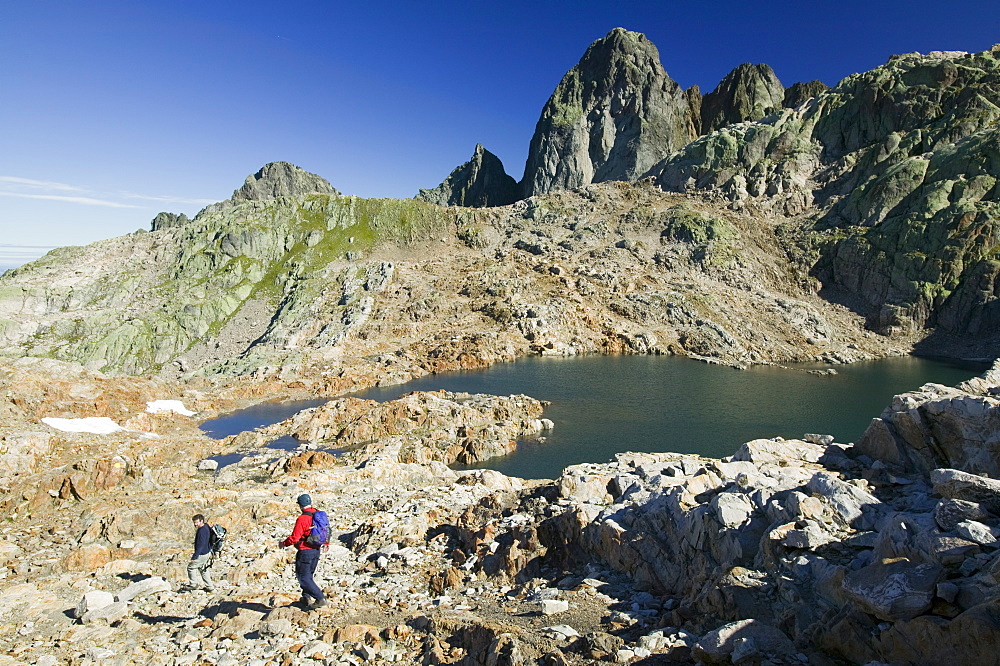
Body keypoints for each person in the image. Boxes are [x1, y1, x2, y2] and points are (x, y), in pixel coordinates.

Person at [279, 493, 327, 608]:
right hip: (316, 550)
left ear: (300, 505)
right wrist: (327, 543)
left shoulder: (302, 518)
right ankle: (306, 597)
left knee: (303, 577)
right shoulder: (318, 514)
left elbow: (295, 538)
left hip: (305, 551)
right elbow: (326, 529)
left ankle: (320, 598)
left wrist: (283, 544)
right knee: (309, 575)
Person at [185, 514, 214, 592]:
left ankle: (193, 584)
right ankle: (210, 587)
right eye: (194, 522)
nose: (195, 524)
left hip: (202, 554)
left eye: (197, 522)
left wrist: (194, 557)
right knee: (203, 569)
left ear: (202, 521)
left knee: (191, 568)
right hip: (207, 552)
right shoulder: (206, 526)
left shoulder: (201, 531)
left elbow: (200, 545)